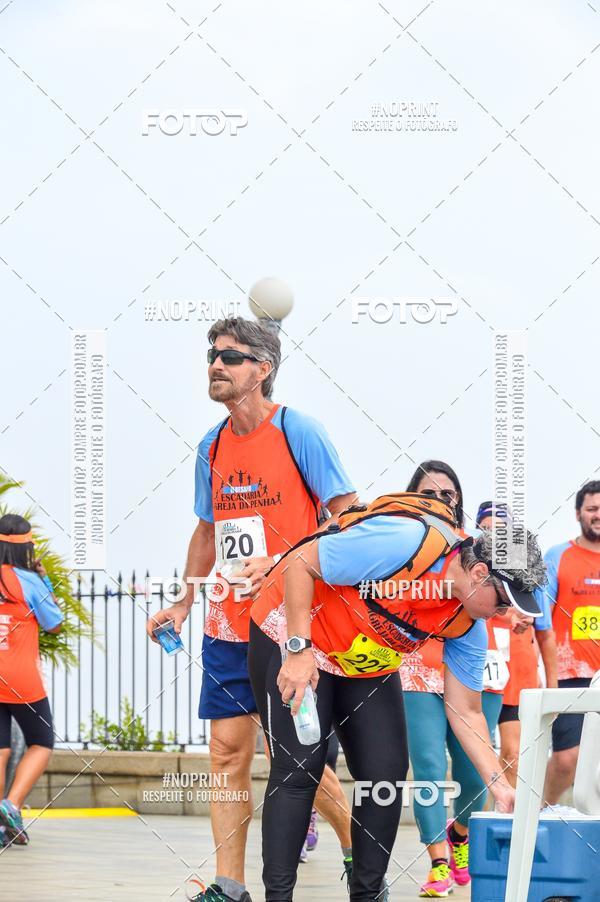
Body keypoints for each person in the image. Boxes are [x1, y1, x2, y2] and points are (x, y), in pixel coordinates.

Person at [147, 317, 356, 902]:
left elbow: (347, 517)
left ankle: (356, 853)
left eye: (232, 357)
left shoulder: (300, 431)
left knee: (294, 757)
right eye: (212, 355)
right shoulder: (210, 445)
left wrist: (288, 560)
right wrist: (185, 600)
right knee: (225, 753)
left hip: (287, 626)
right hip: (226, 624)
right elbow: (207, 531)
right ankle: (229, 885)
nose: (216, 364)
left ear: (263, 368)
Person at [249, 492, 547, 902]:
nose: (502, 616)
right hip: (298, 634)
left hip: (363, 662)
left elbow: (466, 711)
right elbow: (301, 566)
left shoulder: (467, 625)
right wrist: (298, 650)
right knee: (301, 768)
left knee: (384, 775)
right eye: (502, 603)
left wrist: (500, 785)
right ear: (479, 572)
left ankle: (367, 894)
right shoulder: (404, 542)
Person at [400, 463, 507, 897]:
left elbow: (518, 602)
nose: (441, 500)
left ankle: (460, 832)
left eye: (449, 494)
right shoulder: (400, 542)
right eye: (430, 492)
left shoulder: (476, 549)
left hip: (473, 667)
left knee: (473, 771)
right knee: (427, 766)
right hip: (418, 666)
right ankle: (439, 860)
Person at [476, 502, 557, 789]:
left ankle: (508, 825)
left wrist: (553, 687)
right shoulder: (470, 569)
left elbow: (545, 632)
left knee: (513, 755)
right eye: (485, 529)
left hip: (518, 675)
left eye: (501, 531)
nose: (492, 537)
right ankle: (468, 825)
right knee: (478, 758)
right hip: (481, 675)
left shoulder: (528, 573)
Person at [0, 514, 63, 847]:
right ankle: (11, 805)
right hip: (20, 676)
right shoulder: (28, 580)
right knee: (42, 741)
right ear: (26, 546)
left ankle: (0, 826)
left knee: (1, 748)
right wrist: (45, 579)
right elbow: (55, 622)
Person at [543, 480, 600, 806]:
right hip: (570, 675)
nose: (598, 515)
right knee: (568, 759)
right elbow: (541, 620)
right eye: (592, 509)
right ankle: (538, 814)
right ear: (578, 512)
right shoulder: (558, 556)